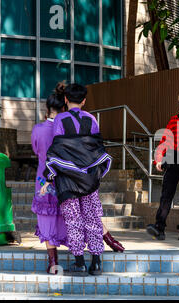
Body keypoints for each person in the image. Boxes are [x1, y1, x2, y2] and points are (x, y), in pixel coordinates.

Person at [41, 83, 112, 276]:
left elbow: (57, 149)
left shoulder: (60, 120)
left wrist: (49, 177)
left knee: (73, 220)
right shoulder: (92, 119)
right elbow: (97, 149)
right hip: (89, 178)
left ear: (65, 99)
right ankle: (96, 262)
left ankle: (79, 262)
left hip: (67, 179)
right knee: (92, 218)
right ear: (84, 101)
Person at [146, 90, 179, 241]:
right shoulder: (174, 120)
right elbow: (165, 140)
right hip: (172, 156)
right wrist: (158, 159)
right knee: (166, 195)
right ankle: (159, 227)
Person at [31, 83, 68, 274]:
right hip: (64, 179)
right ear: (64, 107)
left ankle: (53, 262)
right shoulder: (66, 129)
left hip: (42, 179)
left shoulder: (38, 129)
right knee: (65, 214)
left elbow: (37, 151)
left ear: (48, 109)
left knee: (45, 217)